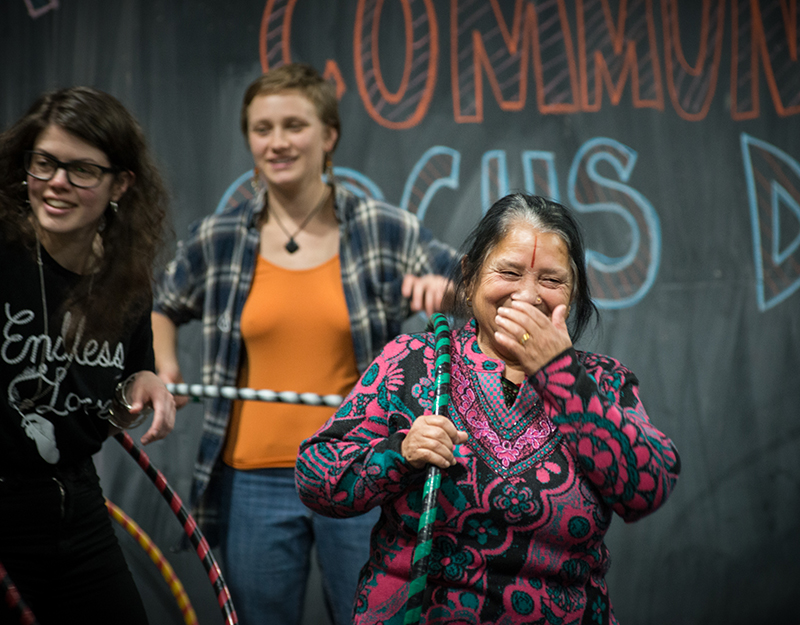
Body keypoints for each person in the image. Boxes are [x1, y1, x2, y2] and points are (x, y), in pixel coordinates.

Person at [151, 63, 459, 625]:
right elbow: (163, 304)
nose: (277, 142)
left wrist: (448, 292)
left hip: (361, 472)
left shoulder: (384, 228)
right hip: (254, 482)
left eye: (294, 125)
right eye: (262, 128)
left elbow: (475, 290)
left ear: (329, 136)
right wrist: (165, 361)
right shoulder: (219, 238)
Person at [296, 193, 681, 624]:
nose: (527, 295)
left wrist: (562, 377)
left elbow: (647, 489)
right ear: (470, 275)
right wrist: (399, 454)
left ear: (573, 294)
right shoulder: (413, 362)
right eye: (509, 272)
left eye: (551, 280)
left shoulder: (604, 382)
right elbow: (316, 477)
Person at [0, 86, 176, 625]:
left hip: (76, 507)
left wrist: (142, 385)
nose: (56, 182)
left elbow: (127, 380)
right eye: (45, 163)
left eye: (81, 170)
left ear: (120, 183)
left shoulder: (125, 278)